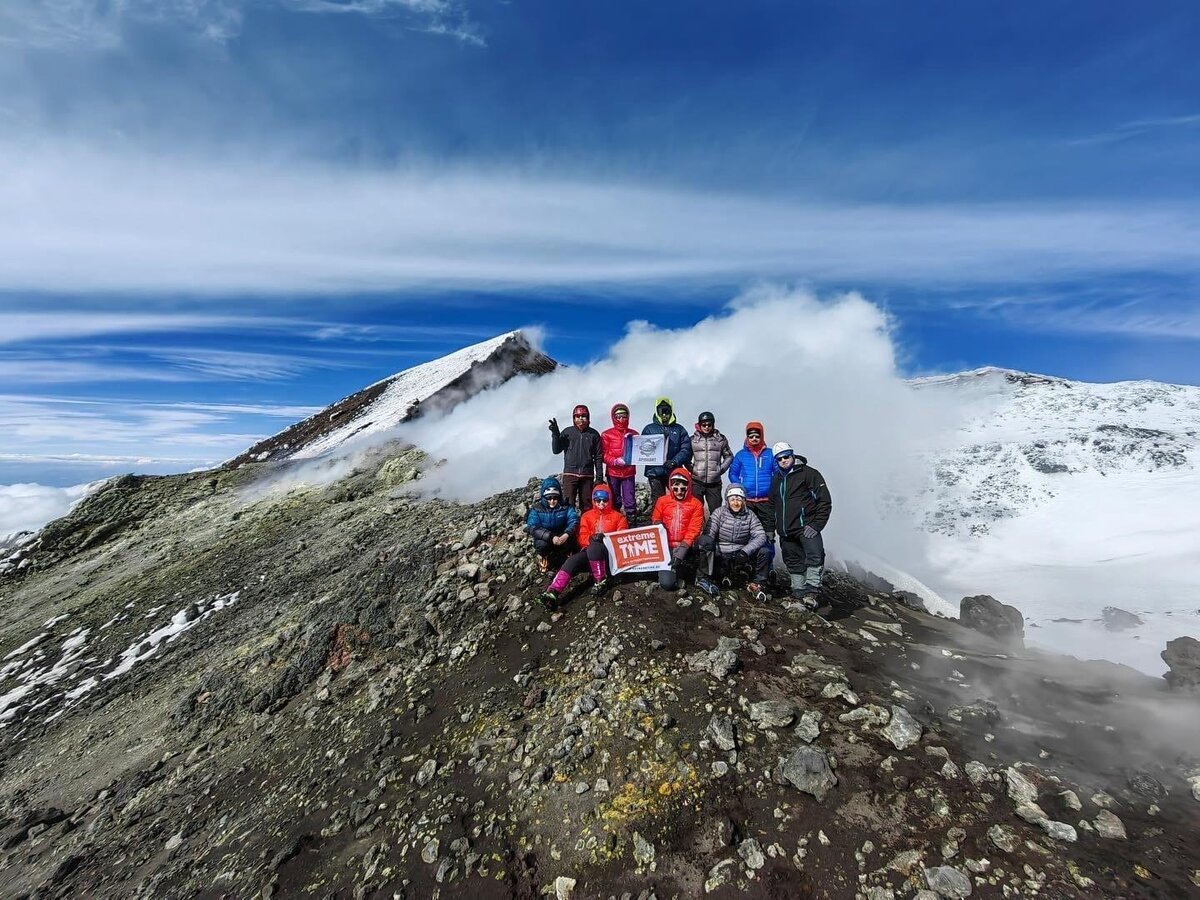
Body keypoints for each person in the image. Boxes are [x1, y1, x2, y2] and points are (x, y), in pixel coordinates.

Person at [539, 483, 628, 608]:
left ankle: (600, 581)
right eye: (597, 500)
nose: (601, 503)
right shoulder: (587, 516)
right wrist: (590, 539)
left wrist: (605, 539)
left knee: (595, 546)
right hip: (589, 554)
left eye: (605, 500)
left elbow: (622, 538)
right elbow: (581, 536)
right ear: (593, 500)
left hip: (609, 556)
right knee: (572, 560)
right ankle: (553, 591)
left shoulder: (618, 517)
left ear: (610, 499)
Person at [770, 442, 833, 605]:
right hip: (785, 531)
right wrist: (772, 528)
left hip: (807, 527)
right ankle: (798, 593)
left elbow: (824, 501)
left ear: (793, 455)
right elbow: (771, 505)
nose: (783, 460)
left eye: (786, 456)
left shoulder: (809, 474)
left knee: (815, 556)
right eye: (779, 458)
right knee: (793, 562)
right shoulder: (777, 478)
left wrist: (817, 525)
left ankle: (812, 592)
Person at [694, 484, 770, 599]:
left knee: (764, 551)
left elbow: (761, 536)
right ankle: (705, 578)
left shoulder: (750, 515)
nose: (736, 502)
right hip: (721, 551)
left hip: (740, 552)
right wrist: (711, 547)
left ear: (744, 501)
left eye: (739, 499)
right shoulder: (719, 512)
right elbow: (709, 533)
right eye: (733, 499)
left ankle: (757, 583)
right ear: (727, 500)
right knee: (705, 541)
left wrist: (745, 551)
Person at [650, 467, 705, 590]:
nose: (679, 491)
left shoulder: (696, 504)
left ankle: (700, 576)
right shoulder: (662, 501)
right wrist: (658, 523)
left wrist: (682, 550)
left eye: (683, 488)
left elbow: (694, 529)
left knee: (706, 543)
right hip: (665, 546)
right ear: (670, 487)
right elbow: (655, 517)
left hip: (685, 545)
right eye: (675, 488)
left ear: (688, 486)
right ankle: (673, 573)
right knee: (667, 584)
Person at [728, 421, 777, 545]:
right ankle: (749, 561)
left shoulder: (770, 454)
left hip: (766, 501)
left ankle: (767, 561)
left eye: (757, 436)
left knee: (768, 532)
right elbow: (732, 473)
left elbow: (778, 473)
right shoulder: (741, 455)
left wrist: (773, 488)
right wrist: (741, 487)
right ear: (747, 437)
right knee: (747, 531)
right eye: (751, 436)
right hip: (748, 500)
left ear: (762, 436)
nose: (754, 438)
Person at [549, 404, 604, 511]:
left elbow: (598, 457)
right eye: (577, 416)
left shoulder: (594, 434)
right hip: (570, 474)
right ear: (573, 418)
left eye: (583, 416)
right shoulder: (567, 432)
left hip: (587, 475)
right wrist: (555, 434)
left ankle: (585, 527)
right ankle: (571, 527)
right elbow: (556, 450)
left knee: (587, 505)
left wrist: (599, 478)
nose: (580, 419)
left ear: (588, 417)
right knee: (568, 504)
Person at [641, 397, 693, 508]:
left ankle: (678, 522)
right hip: (655, 471)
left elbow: (686, 449)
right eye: (661, 411)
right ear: (657, 411)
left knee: (679, 498)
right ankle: (658, 524)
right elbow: (642, 449)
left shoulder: (679, 429)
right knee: (658, 501)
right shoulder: (649, 429)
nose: (664, 414)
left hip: (674, 469)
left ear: (671, 411)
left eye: (667, 411)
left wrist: (675, 461)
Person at [525, 477, 580, 573]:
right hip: (546, 538)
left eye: (555, 498)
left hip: (562, 535)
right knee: (542, 545)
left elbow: (574, 521)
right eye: (549, 498)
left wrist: (566, 534)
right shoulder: (536, 509)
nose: (552, 501)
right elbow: (533, 527)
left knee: (572, 540)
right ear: (543, 497)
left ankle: (568, 556)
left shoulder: (566, 507)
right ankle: (543, 557)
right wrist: (551, 536)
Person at [600, 402, 639, 521]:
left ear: (628, 417)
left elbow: (640, 452)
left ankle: (632, 524)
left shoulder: (634, 434)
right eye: (618, 416)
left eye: (624, 416)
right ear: (613, 417)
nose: (621, 419)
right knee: (614, 499)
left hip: (629, 472)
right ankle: (615, 524)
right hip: (613, 473)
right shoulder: (606, 434)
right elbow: (602, 454)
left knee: (630, 500)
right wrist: (614, 461)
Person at [688, 410, 733, 514]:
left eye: (709, 424)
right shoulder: (692, 439)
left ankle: (715, 530)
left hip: (714, 482)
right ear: (699, 425)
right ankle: (699, 530)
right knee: (696, 511)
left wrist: (721, 469)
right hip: (697, 481)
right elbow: (686, 457)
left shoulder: (720, 439)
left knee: (716, 512)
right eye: (704, 425)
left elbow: (729, 456)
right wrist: (692, 469)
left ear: (713, 424)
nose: (707, 427)